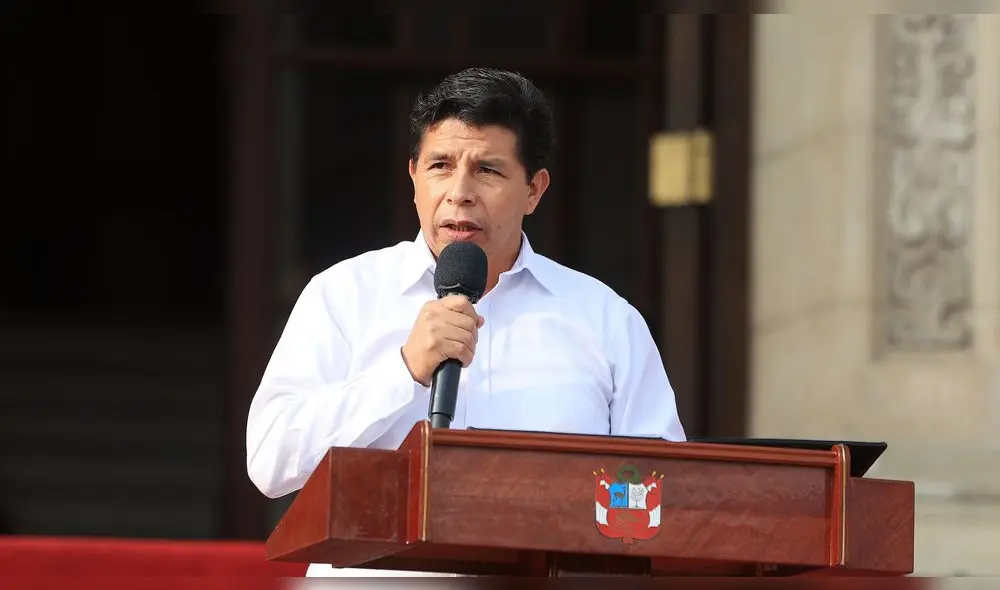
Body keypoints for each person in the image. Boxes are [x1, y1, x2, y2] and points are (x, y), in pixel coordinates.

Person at [246, 67, 686, 577]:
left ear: (534, 191)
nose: (459, 192)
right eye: (440, 166)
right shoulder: (344, 295)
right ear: (413, 178)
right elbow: (271, 462)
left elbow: (660, 489)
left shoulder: (605, 318)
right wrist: (404, 371)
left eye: (488, 171)